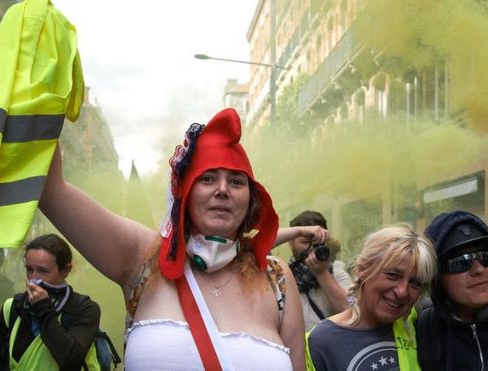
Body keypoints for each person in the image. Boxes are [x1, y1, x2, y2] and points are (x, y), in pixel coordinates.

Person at [39, 108, 326, 370]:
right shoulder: (144, 257)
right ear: (185, 195)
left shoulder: (276, 278)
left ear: (250, 200)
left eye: (236, 181)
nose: (223, 190)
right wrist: (44, 86)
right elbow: (52, 192)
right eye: (208, 178)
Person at [306, 224, 437, 371]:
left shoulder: (418, 322)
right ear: (363, 270)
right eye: (393, 275)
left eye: (416, 283)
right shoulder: (320, 341)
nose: (402, 292)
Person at [418, 210, 488, 370]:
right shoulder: (422, 328)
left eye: (485, 256)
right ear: (436, 277)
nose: (479, 269)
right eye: (461, 261)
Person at [0, 233, 100, 370]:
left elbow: (70, 358)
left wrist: (43, 309)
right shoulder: (13, 307)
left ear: (65, 270)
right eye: (29, 270)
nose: (34, 279)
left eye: (43, 271)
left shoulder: (83, 309)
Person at [278, 210, 351, 331]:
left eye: (318, 243)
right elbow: (257, 244)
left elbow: (351, 311)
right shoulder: (281, 276)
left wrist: (322, 274)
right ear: (291, 242)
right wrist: (298, 231)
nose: (311, 248)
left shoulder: (338, 274)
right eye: (305, 242)